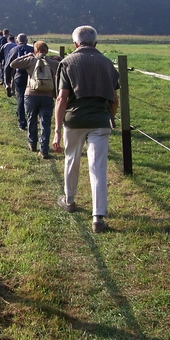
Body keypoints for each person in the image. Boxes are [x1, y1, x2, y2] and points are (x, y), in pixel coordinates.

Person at [52, 25, 120, 233]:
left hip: (74, 121)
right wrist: (109, 117)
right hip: (100, 121)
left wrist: (57, 129)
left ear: (75, 43)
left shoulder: (67, 63)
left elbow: (62, 98)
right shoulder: (107, 64)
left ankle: (69, 198)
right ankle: (98, 216)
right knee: (98, 167)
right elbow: (114, 100)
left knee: (71, 158)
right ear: (95, 43)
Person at [10, 41, 59, 159]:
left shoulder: (31, 60)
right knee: (45, 122)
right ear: (47, 50)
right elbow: (64, 65)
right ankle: (44, 150)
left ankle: (32, 143)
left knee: (31, 119)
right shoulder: (52, 63)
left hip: (31, 94)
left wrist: (28, 55)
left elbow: (13, 64)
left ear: (35, 50)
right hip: (47, 96)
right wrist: (55, 58)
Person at [5, 33, 34, 130]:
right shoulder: (32, 49)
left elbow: (7, 67)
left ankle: (22, 122)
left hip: (18, 76)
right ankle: (32, 119)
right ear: (27, 41)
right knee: (32, 97)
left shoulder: (14, 50)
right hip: (31, 76)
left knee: (21, 97)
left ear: (17, 41)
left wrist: (7, 81)